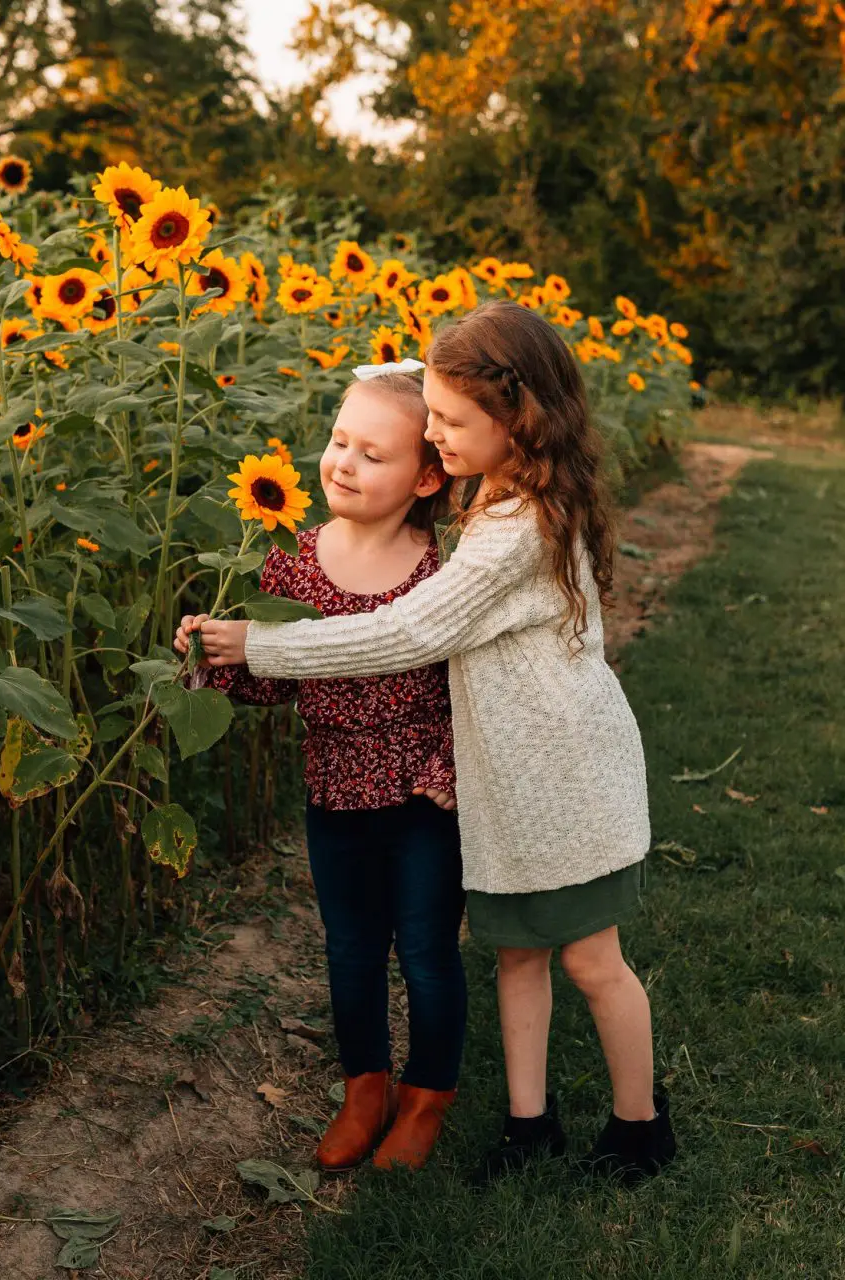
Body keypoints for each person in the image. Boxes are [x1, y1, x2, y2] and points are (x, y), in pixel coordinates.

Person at [184, 302, 676, 1184]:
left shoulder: (517, 531)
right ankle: (530, 1128)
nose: (437, 436)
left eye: (450, 423)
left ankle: (641, 1126)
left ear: (514, 420)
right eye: (434, 421)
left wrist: (260, 643)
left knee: (591, 959)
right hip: (512, 783)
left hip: (564, 777)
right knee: (518, 954)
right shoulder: (499, 499)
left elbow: (407, 635)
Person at [184, 363, 467, 1172]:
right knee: (349, 948)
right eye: (339, 441)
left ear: (425, 476)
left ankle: (426, 1099)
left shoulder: (440, 572)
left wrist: (447, 764)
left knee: (426, 951)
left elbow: (470, 689)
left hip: (423, 797)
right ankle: (365, 1089)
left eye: (372, 455)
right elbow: (268, 677)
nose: (342, 462)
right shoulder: (293, 563)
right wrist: (209, 659)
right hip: (334, 790)